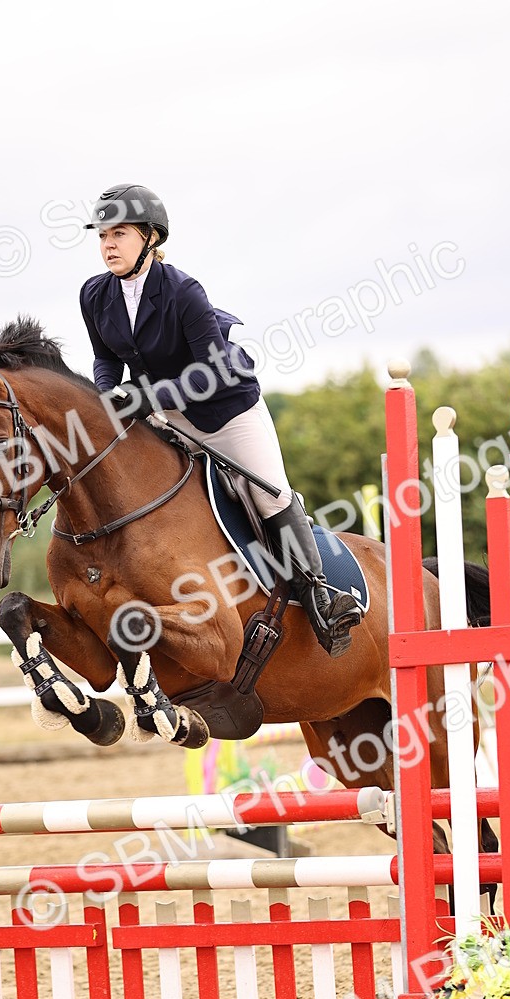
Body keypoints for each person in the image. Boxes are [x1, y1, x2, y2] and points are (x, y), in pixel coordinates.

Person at [80, 183, 362, 658]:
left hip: (226, 409)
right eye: (103, 235)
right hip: (168, 414)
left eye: (120, 233)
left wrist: (147, 397)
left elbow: (211, 370)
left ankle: (320, 595)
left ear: (150, 238)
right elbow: (105, 358)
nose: (108, 244)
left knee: (267, 492)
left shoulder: (183, 292)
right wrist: (107, 394)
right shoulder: (94, 294)